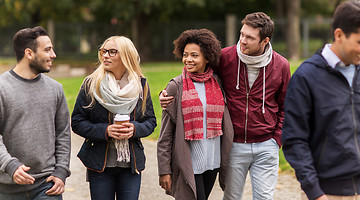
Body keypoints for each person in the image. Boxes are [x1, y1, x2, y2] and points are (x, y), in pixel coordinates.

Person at [160, 12, 291, 199]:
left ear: (265, 41)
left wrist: (276, 138)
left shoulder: (281, 65)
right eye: (242, 34)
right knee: (231, 197)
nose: (243, 41)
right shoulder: (225, 58)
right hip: (234, 144)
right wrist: (165, 93)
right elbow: (195, 74)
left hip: (266, 144)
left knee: (264, 197)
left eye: (250, 37)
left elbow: (287, 105)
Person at [282, 0, 360, 200]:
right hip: (327, 193)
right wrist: (314, 192)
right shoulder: (306, 77)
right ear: (339, 35)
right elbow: (294, 139)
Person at [71, 36, 157, 200]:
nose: (105, 56)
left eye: (112, 52)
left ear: (126, 56)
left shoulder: (140, 85)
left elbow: (151, 121)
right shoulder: (91, 84)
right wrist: (106, 130)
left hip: (131, 165)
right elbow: (77, 122)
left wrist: (135, 129)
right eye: (103, 51)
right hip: (100, 164)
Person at [157, 29, 233, 200]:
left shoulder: (218, 82)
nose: (188, 60)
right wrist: (164, 170)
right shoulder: (176, 86)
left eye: (194, 55)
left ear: (207, 57)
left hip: (212, 160)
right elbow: (165, 134)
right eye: (185, 55)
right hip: (188, 163)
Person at [0, 26, 71, 199]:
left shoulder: (56, 89)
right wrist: (10, 165)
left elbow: (63, 134)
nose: (53, 55)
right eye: (47, 50)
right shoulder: (2, 88)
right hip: (6, 188)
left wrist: (61, 170)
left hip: (47, 186)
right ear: (29, 53)